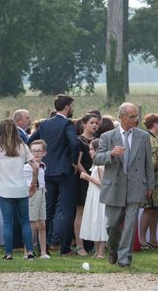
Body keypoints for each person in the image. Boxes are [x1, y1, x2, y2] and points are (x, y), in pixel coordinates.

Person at [93, 102, 154, 267]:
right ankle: (113, 249)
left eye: (136, 116)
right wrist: (110, 154)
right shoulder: (107, 137)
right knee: (112, 225)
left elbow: (149, 164)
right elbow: (97, 158)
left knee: (129, 224)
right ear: (121, 117)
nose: (136, 119)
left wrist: (150, 186)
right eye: (132, 116)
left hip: (136, 187)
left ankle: (124, 258)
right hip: (114, 187)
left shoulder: (143, 136)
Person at [27, 94, 79, 256]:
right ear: (67, 107)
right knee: (67, 210)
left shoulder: (44, 124)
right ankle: (65, 248)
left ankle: (45, 246)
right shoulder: (67, 124)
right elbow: (75, 143)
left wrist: (38, 157)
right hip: (64, 171)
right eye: (72, 106)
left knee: (47, 210)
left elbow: (30, 141)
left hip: (47, 170)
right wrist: (73, 161)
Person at [0, 119, 38, 260]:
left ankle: (9, 253)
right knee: (25, 222)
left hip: (4, 189)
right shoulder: (23, 147)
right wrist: (34, 183)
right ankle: (29, 252)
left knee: (8, 223)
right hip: (21, 188)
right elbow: (35, 166)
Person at [139, 113, 158, 249]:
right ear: (155, 124)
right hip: (152, 181)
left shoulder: (157, 139)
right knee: (149, 209)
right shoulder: (149, 139)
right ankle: (142, 239)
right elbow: (151, 163)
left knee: (156, 210)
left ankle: (153, 238)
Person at [74, 113, 98, 257]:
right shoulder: (79, 141)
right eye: (92, 122)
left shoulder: (98, 140)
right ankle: (79, 245)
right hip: (83, 181)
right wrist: (88, 177)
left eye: (96, 123)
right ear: (84, 124)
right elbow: (77, 162)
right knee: (81, 213)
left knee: (96, 213)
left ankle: (96, 244)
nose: (95, 125)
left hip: (96, 180)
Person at [79, 139, 108, 259]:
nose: (89, 151)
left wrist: (87, 177)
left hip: (99, 197)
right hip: (93, 195)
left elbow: (103, 184)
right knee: (95, 222)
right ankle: (96, 252)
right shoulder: (95, 163)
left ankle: (101, 252)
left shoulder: (101, 164)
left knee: (100, 221)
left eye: (91, 149)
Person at [25, 139, 48, 258]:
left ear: (45, 153)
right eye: (33, 151)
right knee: (32, 223)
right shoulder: (27, 167)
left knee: (42, 223)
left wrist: (43, 189)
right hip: (32, 194)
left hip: (41, 192)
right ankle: (27, 251)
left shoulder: (43, 165)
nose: (36, 153)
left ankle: (43, 252)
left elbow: (42, 180)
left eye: (39, 151)